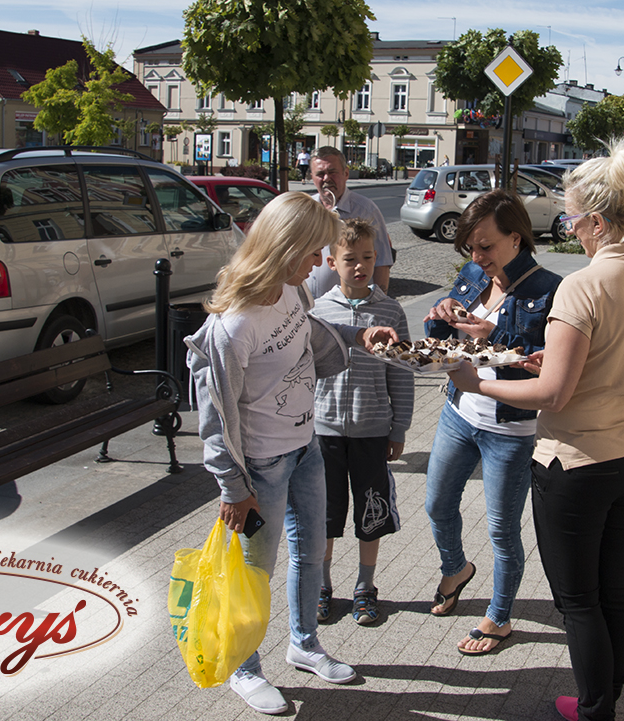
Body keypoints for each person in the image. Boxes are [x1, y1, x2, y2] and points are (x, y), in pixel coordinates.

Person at [450, 140, 624, 721]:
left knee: (578, 602)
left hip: (573, 463)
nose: (569, 228)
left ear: (598, 221)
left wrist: (477, 383)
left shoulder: (581, 285)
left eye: (574, 217)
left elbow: (553, 394)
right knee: (615, 590)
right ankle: (609, 694)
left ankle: (595, 708)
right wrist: (545, 367)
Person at [185, 192, 399, 716]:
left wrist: (359, 333)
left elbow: (312, 334)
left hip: (306, 449)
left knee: (310, 553)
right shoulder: (233, 323)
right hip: (261, 468)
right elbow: (213, 416)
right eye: (312, 253)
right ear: (287, 247)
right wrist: (234, 489)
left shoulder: (290, 290)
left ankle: (304, 645)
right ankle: (244, 669)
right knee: (253, 571)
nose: (317, 265)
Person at [421, 190, 563, 655]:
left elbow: (550, 364)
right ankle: (457, 568)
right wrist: (438, 317)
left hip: (511, 429)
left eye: (485, 246)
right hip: (459, 412)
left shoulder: (550, 290)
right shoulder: (471, 275)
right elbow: (442, 338)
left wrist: (495, 335)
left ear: (516, 239)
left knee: (502, 530)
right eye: (471, 248)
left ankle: (499, 617)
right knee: (438, 505)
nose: (476, 256)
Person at [312, 218, 414, 627]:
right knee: (325, 513)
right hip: (324, 431)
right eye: (350, 259)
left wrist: (399, 427)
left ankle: (365, 586)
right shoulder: (318, 311)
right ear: (331, 262)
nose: (360, 266)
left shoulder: (390, 310)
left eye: (368, 258)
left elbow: (401, 372)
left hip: (373, 429)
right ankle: (321, 585)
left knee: (370, 511)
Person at [305, 146, 394, 298]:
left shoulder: (366, 210)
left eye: (332, 172)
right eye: (320, 174)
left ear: (345, 173)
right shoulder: (306, 209)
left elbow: (382, 261)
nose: (326, 178)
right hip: (308, 308)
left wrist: (379, 301)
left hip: (350, 309)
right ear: (312, 177)